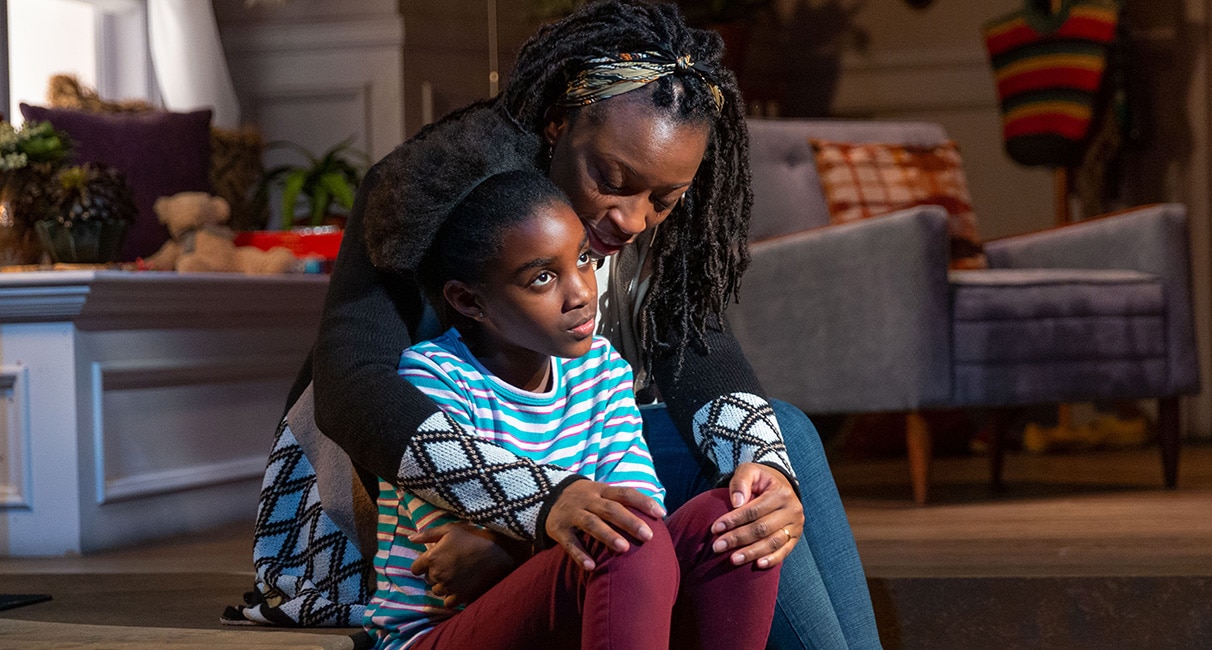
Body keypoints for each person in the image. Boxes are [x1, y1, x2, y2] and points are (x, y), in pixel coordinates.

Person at [235, 2, 881, 648]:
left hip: (556, 462)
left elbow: (701, 358)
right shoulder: (433, 190)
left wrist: (770, 480)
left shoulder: (648, 210)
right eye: (611, 178)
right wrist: (531, 511)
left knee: (775, 452)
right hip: (393, 503)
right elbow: (354, 394)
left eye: (663, 198)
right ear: (557, 123)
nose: (633, 219)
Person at [367, 154, 780, 648]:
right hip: (443, 633)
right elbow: (455, 564)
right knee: (624, 541)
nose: (581, 292)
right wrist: (554, 533)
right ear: (469, 301)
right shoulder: (434, 376)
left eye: (583, 259)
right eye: (542, 278)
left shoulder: (601, 368)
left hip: (567, 606)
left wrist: (515, 545)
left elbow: (636, 507)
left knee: (732, 519)